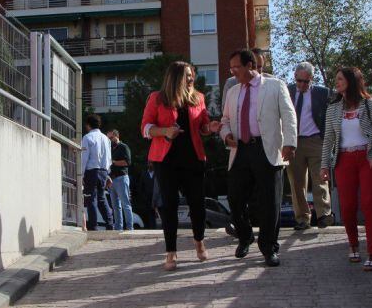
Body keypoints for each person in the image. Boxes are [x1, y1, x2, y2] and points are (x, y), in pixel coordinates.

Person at [220, 49, 299, 267]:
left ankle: (269, 248)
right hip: (241, 150)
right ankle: (245, 236)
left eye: (237, 67)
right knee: (235, 199)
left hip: (267, 149)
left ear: (250, 65)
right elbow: (225, 119)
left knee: (269, 202)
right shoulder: (233, 91)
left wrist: (290, 143)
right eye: (231, 67)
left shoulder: (275, 85)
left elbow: (289, 114)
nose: (233, 71)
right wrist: (226, 135)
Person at [141, 61, 221, 271]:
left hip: (193, 158)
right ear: (176, 77)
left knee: (197, 204)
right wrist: (166, 131)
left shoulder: (198, 98)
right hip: (165, 160)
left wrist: (210, 127)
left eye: (192, 74)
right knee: (169, 206)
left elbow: (202, 126)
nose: (191, 78)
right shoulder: (157, 98)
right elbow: (145, 128)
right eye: (187, 75)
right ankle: (171, 252)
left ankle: (199, 242)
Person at [320, 67, 372, 272]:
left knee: (369, 205)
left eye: (340, 79)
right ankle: (353, 245)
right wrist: (324, 165)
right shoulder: (333, 108)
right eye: (336, 79)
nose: (337, 82)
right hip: (344, 160)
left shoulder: (368, 104)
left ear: (351, 81)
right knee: (347, 207)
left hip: (367, 159)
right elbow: (329, 139)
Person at [287, 62, 335, 230]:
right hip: (294, 142)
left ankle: (323, 215)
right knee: (297, 182)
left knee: (320, 178)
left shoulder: (323, 93)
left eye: (305, 82)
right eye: (298, 80)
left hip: (316, 140)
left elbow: (335, 110)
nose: (301, 85)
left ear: (311, 79)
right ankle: (302, 218)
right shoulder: (288, 91)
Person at [80, 114, 113, 231]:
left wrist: (81, 174)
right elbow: (109, 158)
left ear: (88, 125)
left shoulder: (87, 138)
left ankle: (93, 227)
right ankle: (110, 223)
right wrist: (108, 174)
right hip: (103, 171)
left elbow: (84, 158)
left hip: (91, 171)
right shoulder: (106, 139)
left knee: (91, 199)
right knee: (101, 198)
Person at [107, 128, 134, 231]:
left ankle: (130, 228)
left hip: (122, 178)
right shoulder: (110, 148)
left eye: (111, 138)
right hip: (112, 180)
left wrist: (113, 162)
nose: (109, 140)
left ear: (116, 136)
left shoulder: (124, 147)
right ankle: (118, 228)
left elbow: (127, 162)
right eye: (108, 138)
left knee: (125, 204)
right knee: (115, 206)